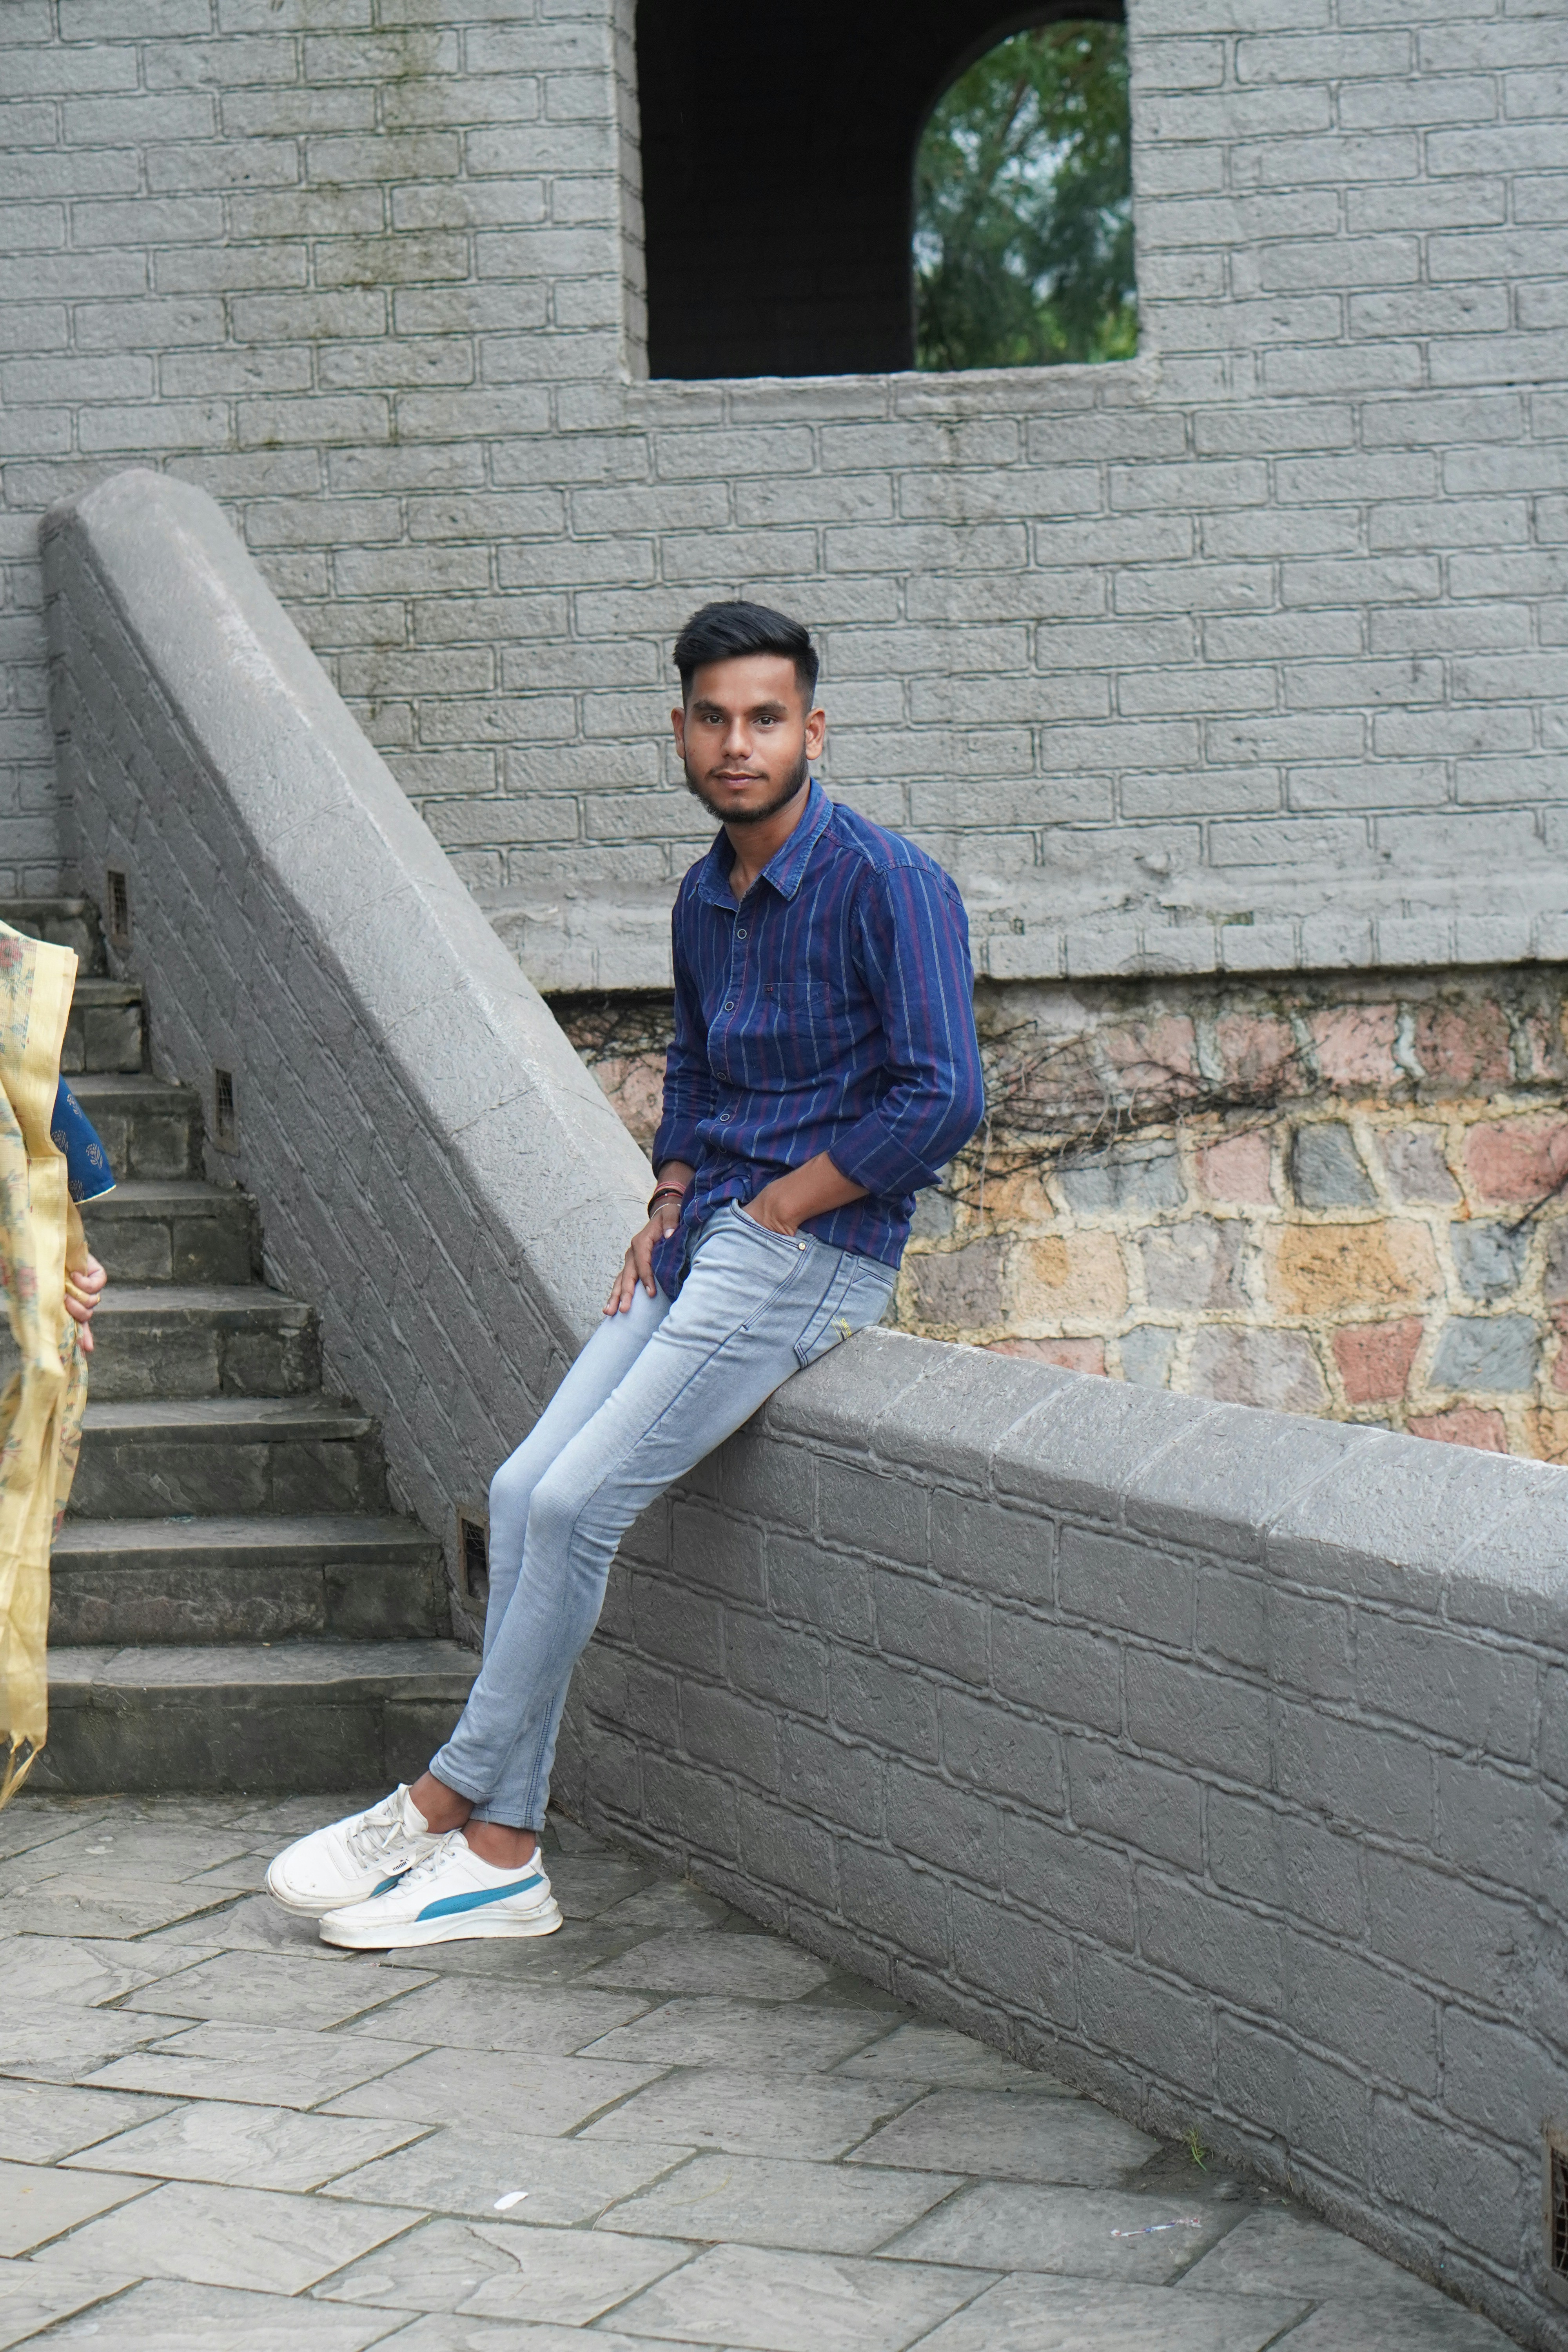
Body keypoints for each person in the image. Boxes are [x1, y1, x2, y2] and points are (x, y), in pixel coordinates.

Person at [267, 600, 985, 1949]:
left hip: (807, 1254)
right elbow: (702, 1071)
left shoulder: (890, 884)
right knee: (523, 1488)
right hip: (705, 1233)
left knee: (587, 1497)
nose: (738, 743)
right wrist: (667, 1191)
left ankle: (445, 1801)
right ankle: (505, 1859)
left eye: (766, 718)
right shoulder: (705, 899)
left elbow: (942, 1097)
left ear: (812, 730)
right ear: (681, 732)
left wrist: (783, 1201)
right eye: (713, 719)